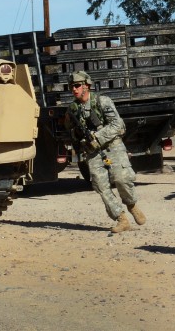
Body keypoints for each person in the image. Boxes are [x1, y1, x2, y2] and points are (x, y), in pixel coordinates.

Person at [64, 70, 146, 233]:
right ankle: (121, 219)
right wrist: (79, 136)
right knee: (100, 186)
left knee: (122, 178)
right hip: (92, 151)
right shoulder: (72, 110)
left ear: (87, 85)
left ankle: (131, 204)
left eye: (77, 85)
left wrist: (98, 136)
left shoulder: (103, 101)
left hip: (112, 146)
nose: (74, 89)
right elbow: (70, 132)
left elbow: (118, 125)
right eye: (71, 86)